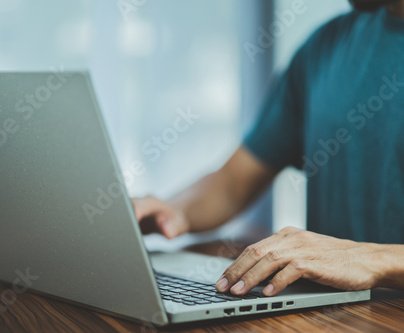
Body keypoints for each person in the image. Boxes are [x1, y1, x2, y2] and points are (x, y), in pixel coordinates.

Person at [133, 0, 404, 297]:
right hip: (330, 316)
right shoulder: (328, 43)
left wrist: (369, 260)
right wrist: (175, 211)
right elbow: (234, 179)